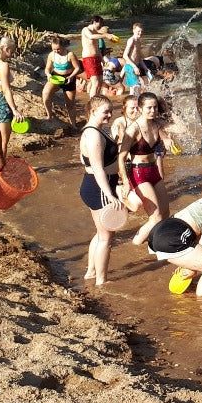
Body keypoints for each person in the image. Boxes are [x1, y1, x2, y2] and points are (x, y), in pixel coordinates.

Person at [147, 174, 202, 297]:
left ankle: (189, 298)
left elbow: (195, 234)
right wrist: (193, 269)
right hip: (172, 238)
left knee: (200, 262)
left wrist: (190, 264)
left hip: (158, 232)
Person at [78, 96, 123, 285]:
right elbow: (96, 167)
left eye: (111, 110)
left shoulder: (94, 131)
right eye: (105, 111)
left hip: (96, 184)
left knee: (100, 232)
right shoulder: (94, 134)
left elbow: (83, 160)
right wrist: (109, 193)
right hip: (99, 187)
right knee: (106, 236)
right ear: (92, 111)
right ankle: (101, 280)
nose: (110, 114)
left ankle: (90, 272)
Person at [120, 91, 173, 245]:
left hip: (153, 170)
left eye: (155, 107)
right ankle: (136, 243)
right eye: (149, 108)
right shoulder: (133, 129)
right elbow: (121, 157)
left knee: (165, 213)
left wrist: (166, 109)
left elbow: (182, 129)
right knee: (155, 217)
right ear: (140, 108)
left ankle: (157, 244)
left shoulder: (158, 124)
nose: (153, 111)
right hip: (138, 172)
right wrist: (124, 182)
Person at [0, 36, 25, 162]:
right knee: (3, 141)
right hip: (1, 101)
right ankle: (0, 171)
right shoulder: (3, 65)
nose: (12, 55)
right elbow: (6, 89)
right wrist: (14, 109)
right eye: (11, 52)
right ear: (5, 49)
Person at [42, 35, 81, 127]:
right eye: (54, 49)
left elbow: (77, 68)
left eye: (58, 49)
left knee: (69, 104)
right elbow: (47, 68)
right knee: (45, 92)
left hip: (68, 78)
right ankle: (49, 115)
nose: (56, 51)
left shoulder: (70, 55)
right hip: (56, 77)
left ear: (63, 46)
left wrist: (71, 76)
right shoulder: (51, 55)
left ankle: (73, 124)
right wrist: (48, 74)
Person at [79, 16, 118, 99]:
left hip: (97, 59)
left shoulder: (95, 32)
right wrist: (105, 35)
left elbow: (97, 48)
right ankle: (92, 102)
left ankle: (96, 99)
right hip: (89, 59)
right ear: (94, 22)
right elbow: (91, 37)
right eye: (100, 24)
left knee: (100, 81)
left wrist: (102, 60)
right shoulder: (86, 30)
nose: (100, 27)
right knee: (95, 82)